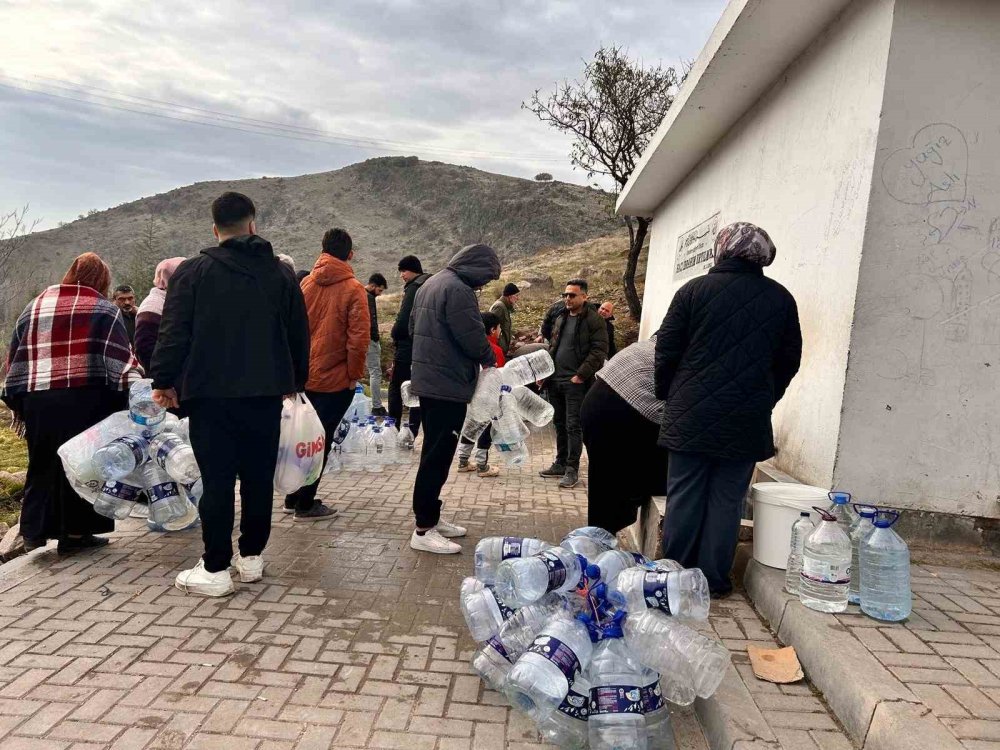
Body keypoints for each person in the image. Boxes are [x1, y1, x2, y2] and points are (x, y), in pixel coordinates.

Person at [151, 192, 310, 597]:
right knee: (258, 477)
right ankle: (252, 557)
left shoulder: (193, 272)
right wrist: (296, 382)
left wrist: (163, 381)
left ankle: (216, 567)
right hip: (265, 394)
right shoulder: (280, 275)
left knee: (218, 480)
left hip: (210, 395)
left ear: (215, 229)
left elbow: (174, 333)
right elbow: (298, 335)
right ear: (253, 225)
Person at [655, 221, 801, 597]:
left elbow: (667, 349)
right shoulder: (780, 298)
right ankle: (713, 581)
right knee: (727, 499)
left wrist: (671, 395)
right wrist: (766, 397)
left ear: (722, 249)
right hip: (746, 418)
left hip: (691, 414)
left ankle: (672, 577)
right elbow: (789, 360)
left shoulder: (693, 291)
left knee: (684, 493)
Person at [2, 253, 140, 553]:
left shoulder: (35, 305)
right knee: (82, 464)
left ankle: (33, 531)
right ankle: (76, 535)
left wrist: (18, 399)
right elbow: (119, 362)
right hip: (84, 398)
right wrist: (140, 386)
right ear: (102, 280)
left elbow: (15, 357)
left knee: (42, 462)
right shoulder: (104, 308)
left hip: (37, 398)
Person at [409, 244, 500, 554]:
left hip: (431, 382)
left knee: (434, 452)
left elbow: (412, 328)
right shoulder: (458, 289)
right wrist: (489, 359)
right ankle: (423, 530)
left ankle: (431, 518)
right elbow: (472, 336)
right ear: (474, 268)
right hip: (446, 385)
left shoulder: (432, 283)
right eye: (485, 279)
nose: (483, 285)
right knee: (437, 456)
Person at [284, 228, 370, 520]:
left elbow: (292, 329)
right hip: (335, 379)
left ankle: (292, 494)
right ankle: (306, 503)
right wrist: (353, 376)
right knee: (321, 441)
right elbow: (358, 339)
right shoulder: (353, 288)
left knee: (301, 436)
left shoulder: (306, 283)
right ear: (350, 254)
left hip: (306, 376)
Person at [581, 338, 666, 533]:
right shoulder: (694, 356)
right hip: (621, 410)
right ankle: (596, 546)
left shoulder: (667, 337)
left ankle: (595, 543)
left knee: (604, 489)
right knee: (611, 494)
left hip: (599, 398)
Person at [539, 279, 608, 489]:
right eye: (565, 295)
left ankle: (572, 469)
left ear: (584, 297)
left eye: (572, 295)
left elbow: (599, 350)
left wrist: (580, 375)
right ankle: (560, 463)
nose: (567, 299)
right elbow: (553, 346)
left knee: (573, 425)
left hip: (575, 383)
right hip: (555, 380)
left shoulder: (594, 320)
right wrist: (545, 372)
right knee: (559, 423)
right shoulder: (561, 317)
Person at [456, 311, 506, 478]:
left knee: (470, 427)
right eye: (499, 328)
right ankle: (482, 466)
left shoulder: (468, 346)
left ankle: (463, 461)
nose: (500, 332)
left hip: (470, 395)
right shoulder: (495, 350)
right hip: (488, 398)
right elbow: (498, 377)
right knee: (485, 429)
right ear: (492, 330)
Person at [388, 255, 430, 436]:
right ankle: (412, 432)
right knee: (418, 390)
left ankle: (392, 429)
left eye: (403, 271)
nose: (401, 275)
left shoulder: (414, 288)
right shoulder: (430, 285)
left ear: (413, 270)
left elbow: (403, 321)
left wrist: (394, 334)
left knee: (396, 388)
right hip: (425, 349)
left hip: (407, 348)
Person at [134, 257, 187, 372]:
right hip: (166, 382)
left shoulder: (171, 300)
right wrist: (163, 379)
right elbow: (145, 349)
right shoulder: (152, 307)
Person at [365, 273, 389, 417]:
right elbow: (371, 321)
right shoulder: (368, 297)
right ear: (373, 286)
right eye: (379, 290)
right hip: (369, 339)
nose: (380, 294)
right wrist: (375, 339)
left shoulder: (361, 294)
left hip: (363, 339)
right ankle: (377, 406)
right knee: (375, 372)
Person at [489, 282, 519, 355]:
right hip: (497, 350)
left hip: (501, 349)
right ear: (509, 296)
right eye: (516, 295)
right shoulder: (499, 307)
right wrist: (498, 347)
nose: (518, 298)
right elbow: (491, 329)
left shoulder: (504, 306)